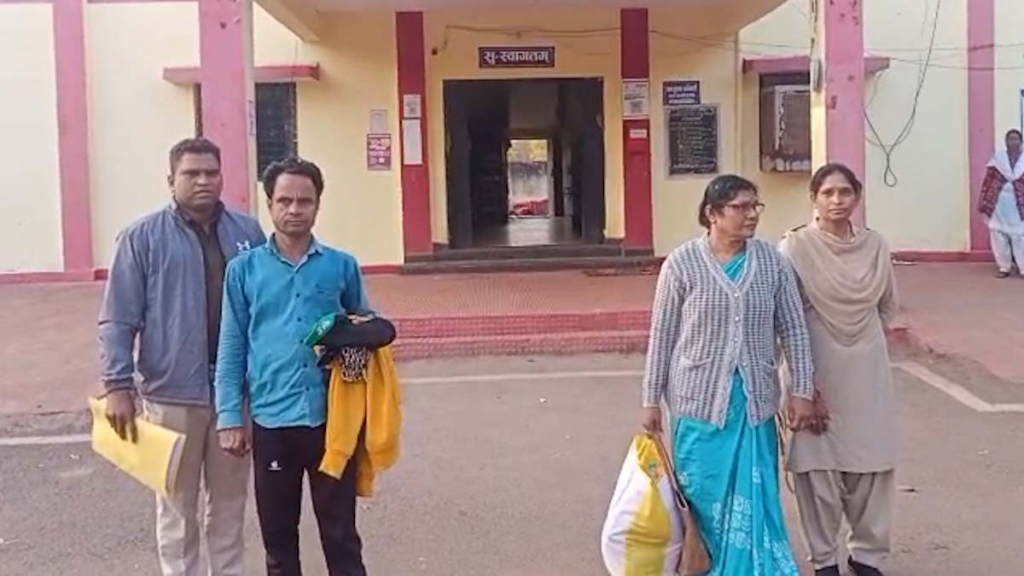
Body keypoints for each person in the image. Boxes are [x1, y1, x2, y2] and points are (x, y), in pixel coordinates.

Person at [98, 137, 266, 576]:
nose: (203, 181)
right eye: (192, 174)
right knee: (176, 508)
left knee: (229, 506)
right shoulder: (141, 238)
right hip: (170, 395)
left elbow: (265, 309)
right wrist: (117, 386)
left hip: (234, 396)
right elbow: (118, 318)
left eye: (211, 172)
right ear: (171, 180)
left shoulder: (247, 234)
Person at [640, 174, 816, 575]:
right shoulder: (682, 264)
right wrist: (650, 400)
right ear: (712, 214)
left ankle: (753, 566)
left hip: (754, 404)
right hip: (697, 403)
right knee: (700, 490)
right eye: (740, 207)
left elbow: (794, 329)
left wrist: (802, 390)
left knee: (754, 492)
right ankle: (706, 563)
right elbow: (662, 335)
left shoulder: (772, 262)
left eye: (755, 206)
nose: (751, 215)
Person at [215, 157, 371, 576]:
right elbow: (232, 347)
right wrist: (229, 416)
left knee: (341, 537)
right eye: (284, 200)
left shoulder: (341, 266)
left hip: (331, 422)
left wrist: (353, 364)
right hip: (272, 422)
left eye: (305, 201)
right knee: (279, 543)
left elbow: (365, 331)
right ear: (269, 204)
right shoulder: (243, 271)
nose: (294, 209)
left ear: (318, 204)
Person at [780, 164, 898, 576]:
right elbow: (785, 319)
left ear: (857, 197)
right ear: (813, 199)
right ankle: (824, 559)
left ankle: (867, 555)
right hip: (814, 367)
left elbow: (887, 306)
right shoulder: (794, 248)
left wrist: (859, 340)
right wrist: (803, 384)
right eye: (827, 193)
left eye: (845, 192)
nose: (836, 200)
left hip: (868, 369)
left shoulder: (876, 246)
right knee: (818, 466)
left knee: (872, 461)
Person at [978, 128, 1024, 278]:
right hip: (1000, 204)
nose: (1013, 141)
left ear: (1021, 142)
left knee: (1020, 235)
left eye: (1016, 139)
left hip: (1019, 205)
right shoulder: (998, 159)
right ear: (1006, 141)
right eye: (1010, 139)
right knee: (998, 234)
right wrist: (984, 200)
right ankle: (1004, 267)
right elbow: (988, 181)